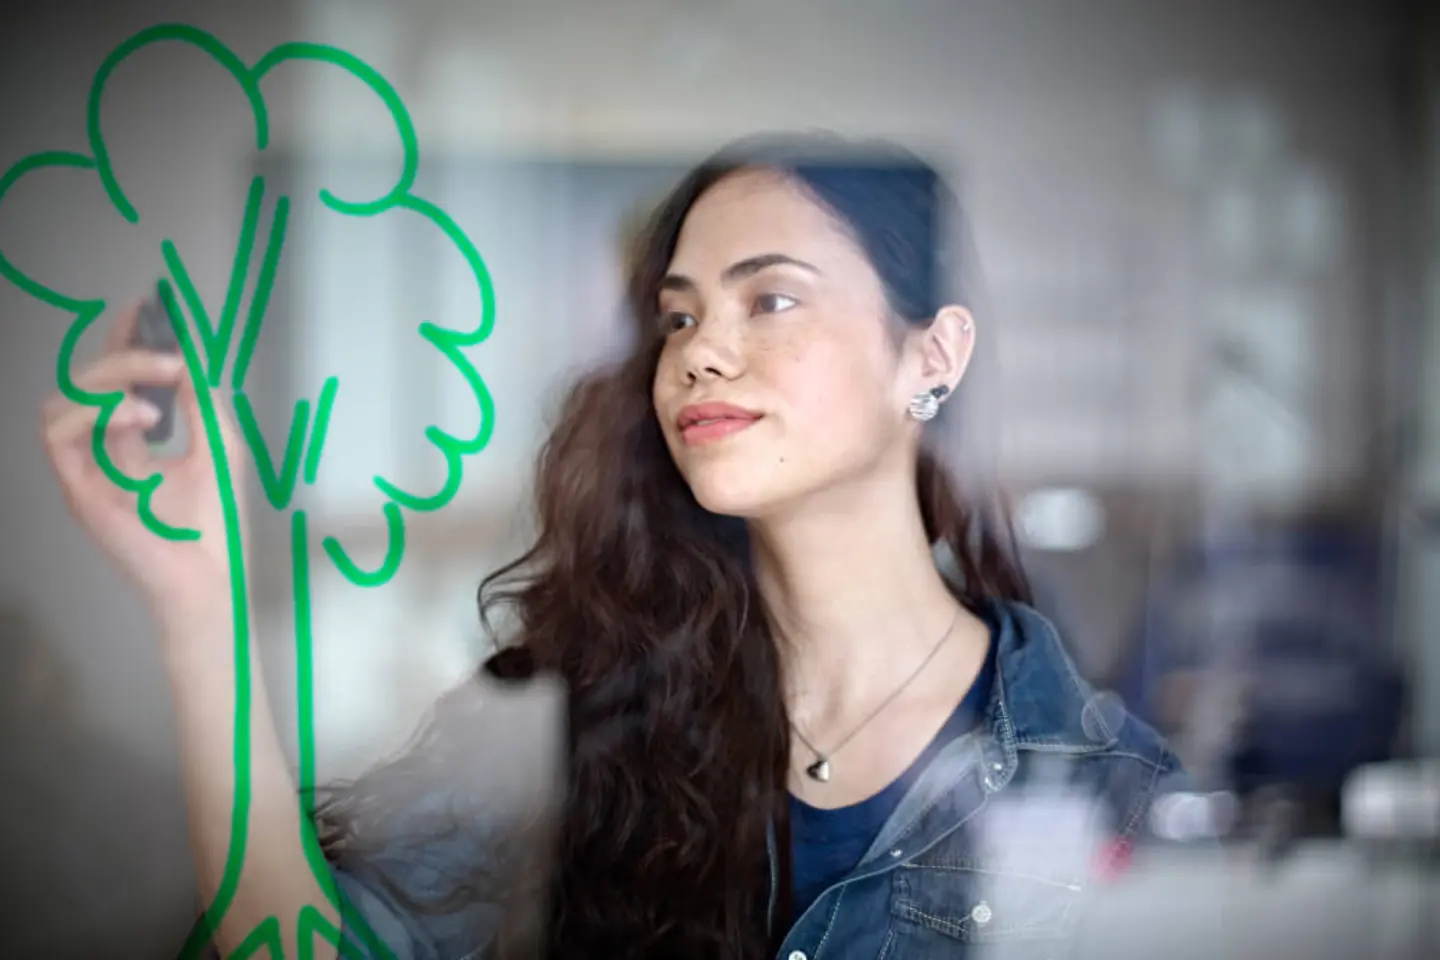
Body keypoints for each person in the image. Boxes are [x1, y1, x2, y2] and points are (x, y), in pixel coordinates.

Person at [41, 132, 1189, 959]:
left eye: (770, 301)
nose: (702, 354)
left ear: (930, 356)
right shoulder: (599, 701)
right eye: (680, 316)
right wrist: (203, 613)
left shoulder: (1107, 791)